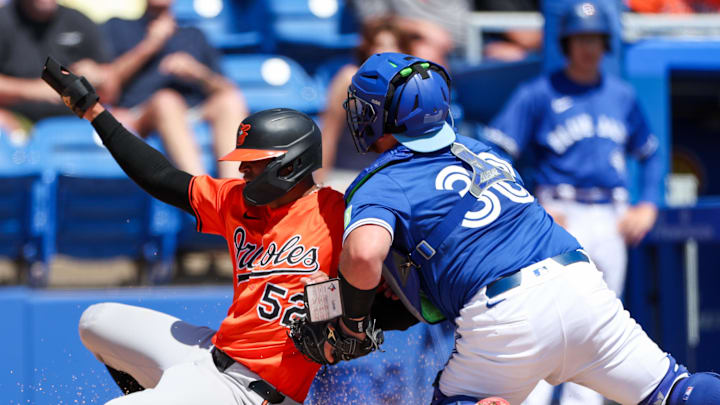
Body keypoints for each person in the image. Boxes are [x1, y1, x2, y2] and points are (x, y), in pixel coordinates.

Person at [329, 50, 720, 404]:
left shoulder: (381, 179)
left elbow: (365, 254)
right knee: (673, 390)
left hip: (504, 316)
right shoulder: (482, 150)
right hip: (581, 285)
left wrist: (353, 323)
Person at [43, 58, 346, 404]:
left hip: (252, 391)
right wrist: (93, 110)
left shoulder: (336, 213)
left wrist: (345, 313)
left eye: (254, 160)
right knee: (95, 321)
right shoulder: (237, 201)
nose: (242, 167)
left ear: (290, 163)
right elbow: (160, 177)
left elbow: (381, 271)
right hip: (211, 355)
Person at [484, 2, 662, 402]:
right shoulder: (538, 93)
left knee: (598, 327)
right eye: (580, 39)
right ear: (566, 43)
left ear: (606, 43)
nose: (588, 47)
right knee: (540, 318)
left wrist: (647, 203)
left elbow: (651, 152)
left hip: (610, 213)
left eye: (595, 39)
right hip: (557, 213)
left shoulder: (621, 96)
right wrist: (526, 204)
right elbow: (494, 153)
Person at [99, 0, 248, 178]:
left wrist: (197, 72)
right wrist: (150, 44)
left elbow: (226, 87)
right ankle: (199, 193)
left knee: (230, 100)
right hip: (141, 113)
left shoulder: (194, 34)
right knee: (167, 100)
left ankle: (233, 191)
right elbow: (107, 84)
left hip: (193, 110)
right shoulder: (119, 26)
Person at [315, 16, 410, 185]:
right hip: (346, 176)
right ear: (367, 48)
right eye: (380, 44)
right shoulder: (348, 79)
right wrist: (319, 182)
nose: (387, 51)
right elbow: (329, 132)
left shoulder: (411, 84)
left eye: (393, 45)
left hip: (392, 179)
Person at [0, 0, 112, 138]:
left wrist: (99, 77)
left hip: (78, 123)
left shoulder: (79, 21)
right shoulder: (4, 20)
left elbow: (111, 90)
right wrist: (34, 90)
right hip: (20, 123)